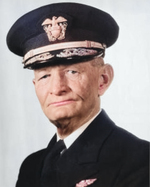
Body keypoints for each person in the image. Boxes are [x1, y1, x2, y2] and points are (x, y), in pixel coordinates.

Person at [7, 2, 149, 187]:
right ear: (35, 86)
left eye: (72, 72)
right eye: (44, 76)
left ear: (103, 80)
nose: (57, 88)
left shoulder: (140, 161)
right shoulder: (31, 167)